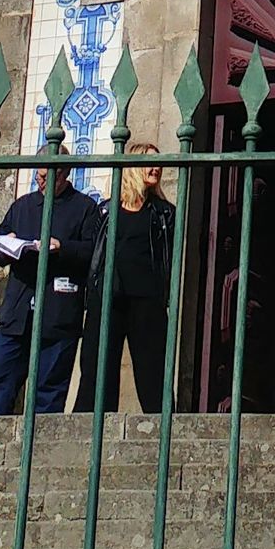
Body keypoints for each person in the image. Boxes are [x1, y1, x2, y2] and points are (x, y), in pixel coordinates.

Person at [0, 165, 103, 416]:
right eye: (39, 175)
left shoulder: (84, 208)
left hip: (58, 313)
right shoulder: (23, 207)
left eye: (48, 176)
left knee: (49, 391)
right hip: (18, 313)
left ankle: (37, 449)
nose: (42, 181)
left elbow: (93, 251)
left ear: (65, 174)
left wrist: (62, 248)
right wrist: (5, 246)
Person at [76, 150, 176, 412]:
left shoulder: (165, 213)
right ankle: (93, 426)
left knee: (152, 370)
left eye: (159, 163)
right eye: (149, 164)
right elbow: (94, 254)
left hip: (147, 300)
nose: (156, 169)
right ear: (132, 168)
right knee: (98, 368)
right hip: (107, 297)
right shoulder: (106, 211)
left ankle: (162, 428)